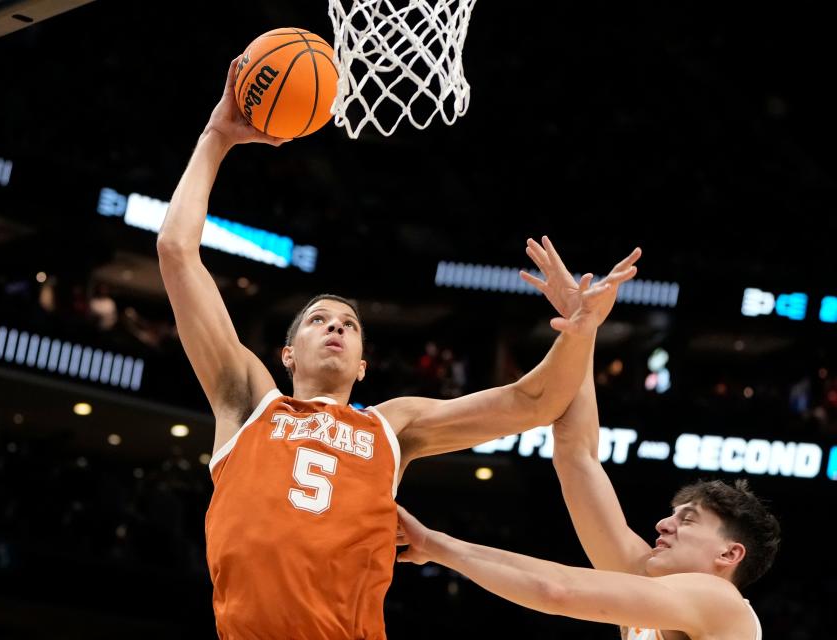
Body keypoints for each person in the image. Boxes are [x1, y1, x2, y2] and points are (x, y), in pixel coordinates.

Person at [156, 57, 640, 639]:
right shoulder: (248, 402)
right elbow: (177, 252)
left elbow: (534, 401)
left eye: (349, 324)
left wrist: (578, 329)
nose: (334, 326)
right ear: (286, 355)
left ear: (362, 366)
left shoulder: (393, 426)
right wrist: (215, 138)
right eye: (317, 320)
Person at [395, 240, 780, 640]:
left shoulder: (721, 601)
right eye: (674, 514)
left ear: (729, 554)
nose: (663, 524)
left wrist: (436, 544)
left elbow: (557, 591)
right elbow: (576, 455)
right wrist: (582, 328)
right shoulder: (645, 583)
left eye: (688, 520)